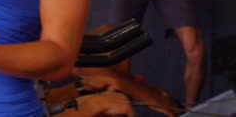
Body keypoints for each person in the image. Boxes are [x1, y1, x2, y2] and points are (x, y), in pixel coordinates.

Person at [45, 25, 180, 117]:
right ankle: (144, 99)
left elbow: (46, 97)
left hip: (42, 92)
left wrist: (81, 87)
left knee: (114, 34)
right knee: (83, 62)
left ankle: (124, 97)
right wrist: (95, 104)